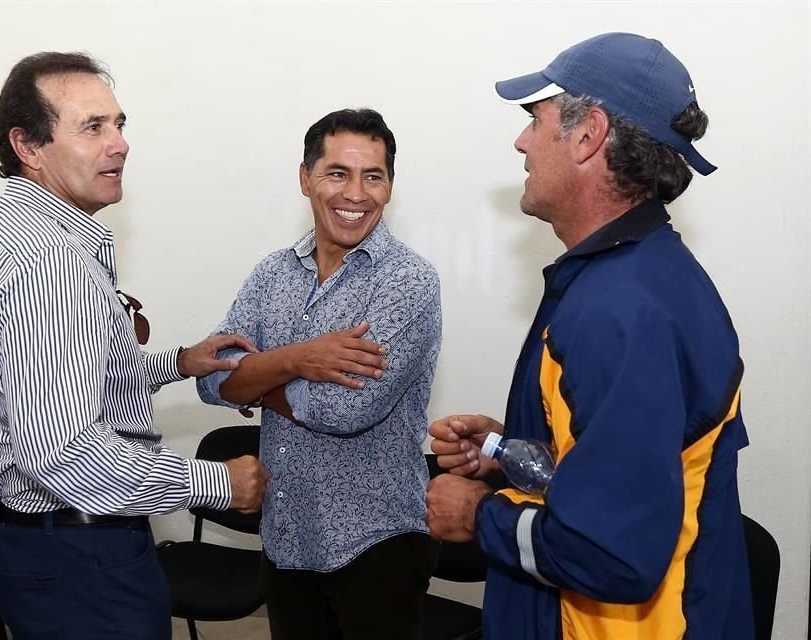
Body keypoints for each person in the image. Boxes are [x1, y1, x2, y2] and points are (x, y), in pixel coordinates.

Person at [426, 33, 753, 640]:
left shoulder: (623, 311)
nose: (521, 141)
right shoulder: (635, 276)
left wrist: (479, 514)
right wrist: (510, 451)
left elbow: (611, 552)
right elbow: (624, 465)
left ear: (588, 133)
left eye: (536, 119)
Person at [0, 51, 268, 639]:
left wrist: (178, 362)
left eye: (119, 124)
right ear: (28, 146)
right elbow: (63, 452)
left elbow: (80, 376)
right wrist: (220, 484)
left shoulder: (42, 230)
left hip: (52, 547)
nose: (120, 143)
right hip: (79, 554)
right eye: (93, 127)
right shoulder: (45, 263)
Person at [197, 108, 441, 639]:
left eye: (372, 176)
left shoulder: (408, 283)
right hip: (286, 539)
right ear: (305, 178)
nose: (355, 193)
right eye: (337, 173)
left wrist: (257, 377)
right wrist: (298, 359)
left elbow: (345, 409)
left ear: (390, 187)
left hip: (376, 545)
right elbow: (213, 378)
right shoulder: (272, 273)